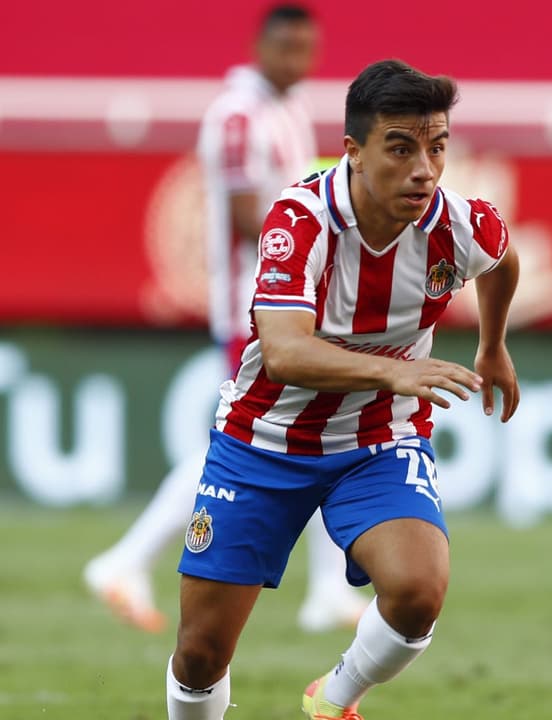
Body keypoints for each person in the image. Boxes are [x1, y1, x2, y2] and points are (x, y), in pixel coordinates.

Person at [164, 59, 520, 720]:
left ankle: (333, 701)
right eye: (401, 148)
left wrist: (492, 344)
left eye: (437, 148)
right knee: (201, 652)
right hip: (263, 442)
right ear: (354, 151)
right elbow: (284, 353)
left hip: (378, 439)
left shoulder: (458, 224)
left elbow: (502, 260)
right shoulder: (300, 219)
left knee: (418, 591)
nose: (424, 170)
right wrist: (395, 371)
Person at [84, 3, 370, 634]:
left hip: (291, 297)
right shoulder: (238, 115)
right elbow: (249, 217)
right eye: (286, 47)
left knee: (321, 424)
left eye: (306, 49)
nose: (296, 60)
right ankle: (127, 559)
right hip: (258, 302)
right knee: (246, 438)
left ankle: (325, 587)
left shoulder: (289, 108)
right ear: (260, 46)